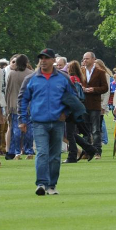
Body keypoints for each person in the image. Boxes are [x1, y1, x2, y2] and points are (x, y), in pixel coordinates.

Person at [19, 48, 74, 196]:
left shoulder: (63, 78)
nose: (43, 60)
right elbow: (23, 99)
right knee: (42, 152)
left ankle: (52, 185)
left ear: (53, 61)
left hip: (57, 122)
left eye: (46, 58)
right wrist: (22, 119)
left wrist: (66, 113)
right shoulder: (31, 79)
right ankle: (41, 184)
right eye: (41, 58)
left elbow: (73, 98)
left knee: (55, 156)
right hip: (39, 122)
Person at [5, 54, 35, 160]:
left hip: (14, 105)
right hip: (29, 105)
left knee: (15, 130)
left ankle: (16, 151)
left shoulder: (12, 74)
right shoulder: (31, 74)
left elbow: (8, 91)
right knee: (29, 129)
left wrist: (7, 106)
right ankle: (29, 150)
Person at [79, 51, 109, 158]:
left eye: (87, 58)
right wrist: (81, 88)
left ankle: (97, 151)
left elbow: (105, 87)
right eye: (84, 59)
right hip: (83, 104)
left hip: (95, 105)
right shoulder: (81, 71)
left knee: (96, 130)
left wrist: (94, 89)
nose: (84, 60)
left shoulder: (100, 72)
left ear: (93, 59)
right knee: (85, 130)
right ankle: (86, 151)